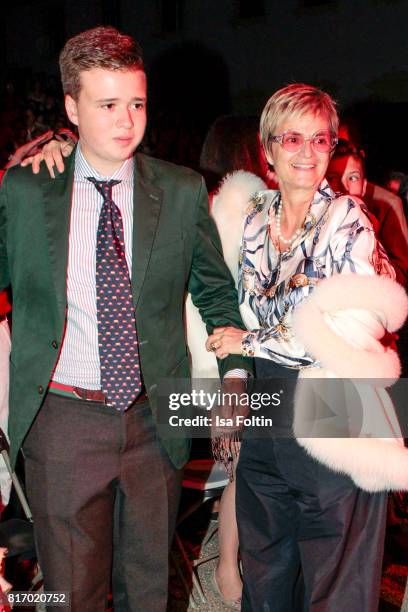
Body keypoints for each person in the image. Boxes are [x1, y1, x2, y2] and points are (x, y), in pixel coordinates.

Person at [0, 26, 252, 611]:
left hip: (153, 423)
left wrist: (235, 372)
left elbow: (217, 295)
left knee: (148, 593)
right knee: (70, 596)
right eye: (107, 105)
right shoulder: (27, 190)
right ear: (71, 108)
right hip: (61, 424)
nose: (125, 120)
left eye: (136, 104)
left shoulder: (182, 190)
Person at [205, 83, 408, 611]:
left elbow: (349, 323)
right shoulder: (248, 218)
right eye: (292, 138)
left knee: (336, 582)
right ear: (267, 148)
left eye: (321, 140)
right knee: (268, 573)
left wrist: (253, 338)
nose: (307, 153)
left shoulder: (349, 219)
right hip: (266, 404)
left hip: (333, 405)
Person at [326, 140, 408, 287]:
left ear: (364, 186)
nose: (344, 186)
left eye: (352, 178)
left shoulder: (387, 207)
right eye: (332, 178)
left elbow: (403, 270)